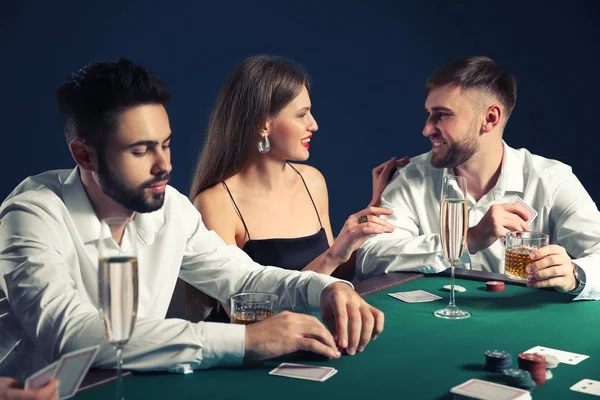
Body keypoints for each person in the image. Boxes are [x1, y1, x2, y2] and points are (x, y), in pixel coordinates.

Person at [0, 58, 384, 379]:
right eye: (141, 150)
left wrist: (324, 289)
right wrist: (247, 342)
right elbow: (72, 336)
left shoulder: (171, 207)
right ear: (84, 156)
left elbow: (244, 278)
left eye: (166, 145)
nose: (164, 165)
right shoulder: (31, 215)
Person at [357, 56, 600, 300]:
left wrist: (576, 275)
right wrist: (467, 239)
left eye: (442, 115)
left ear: (490, 118)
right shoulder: (411, 177)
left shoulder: (551, 179)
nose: (426, 129)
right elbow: (370, 258)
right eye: (429, 114)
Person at [185, 55, 407, 320]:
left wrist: (370, 215)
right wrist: (333, 255)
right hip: (256, 348)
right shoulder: (215, 202)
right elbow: (244, 312)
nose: (313, 124)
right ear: (262, 125)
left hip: (313, 330)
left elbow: (333, 279)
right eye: (301, 115)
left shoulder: (312, 181)